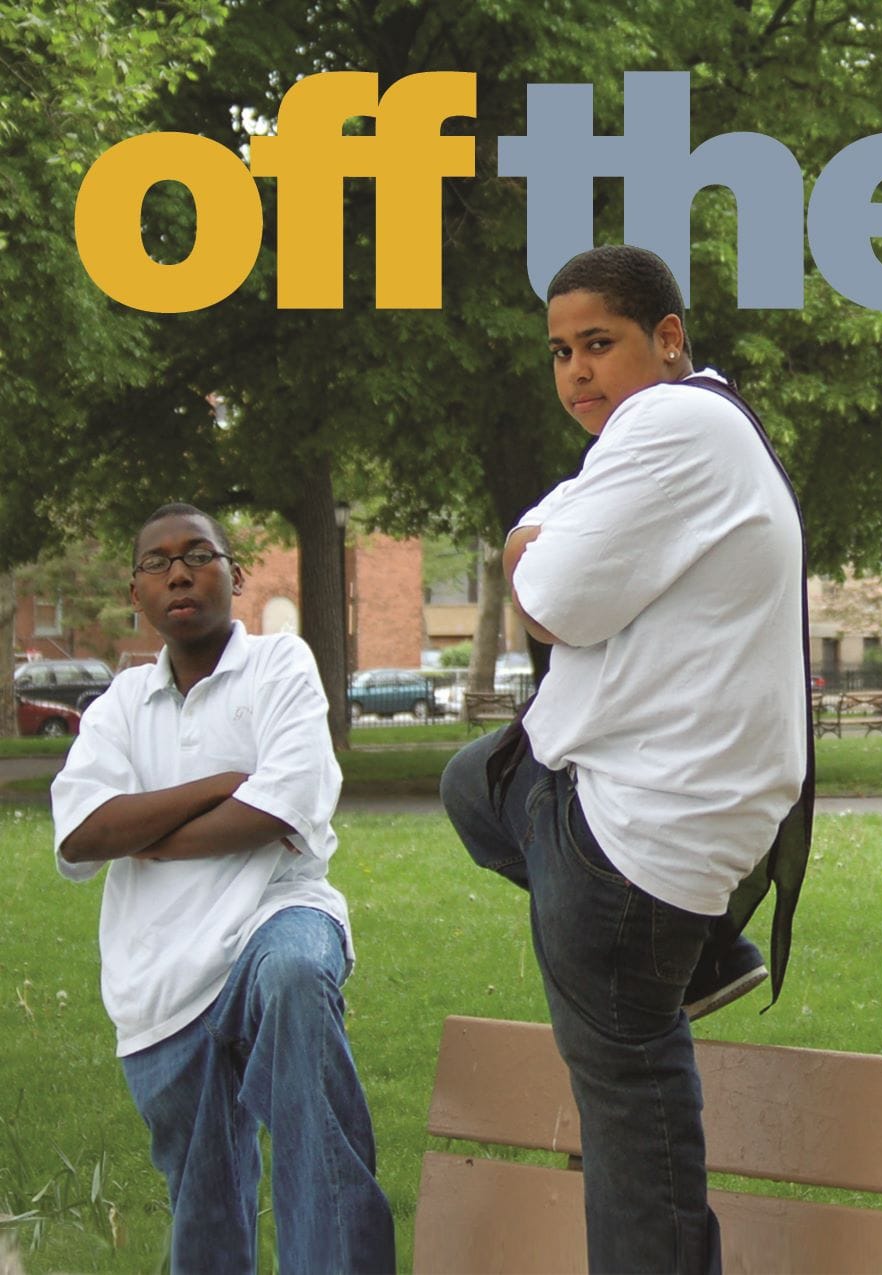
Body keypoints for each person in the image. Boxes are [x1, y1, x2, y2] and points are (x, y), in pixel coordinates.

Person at [440, 243, 809, 1274]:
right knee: (475, 784)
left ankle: (689, 956)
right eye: (560, 352)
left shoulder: (669, 423)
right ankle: (701, 956)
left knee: (633, 1130)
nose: (577, 373)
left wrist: (528, 554)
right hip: (686, 820)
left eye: (599, 344)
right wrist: (539, 542)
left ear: (669, 340)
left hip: (634, 835)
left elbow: (553, 601)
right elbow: (558, 541)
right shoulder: (708, 429)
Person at [51, 503, 394, 1275]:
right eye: (157, 561)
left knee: (297, 976)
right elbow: (80, 833)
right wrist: (221, 785)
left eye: (198, 554)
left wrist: (150, 835)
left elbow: (284, 804)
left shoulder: (280, 665)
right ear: (135, 592)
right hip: (162, 973)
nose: (178, 571)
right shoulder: (116, 709)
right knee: (203, 1209)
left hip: (278, 918)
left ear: (236, 576)